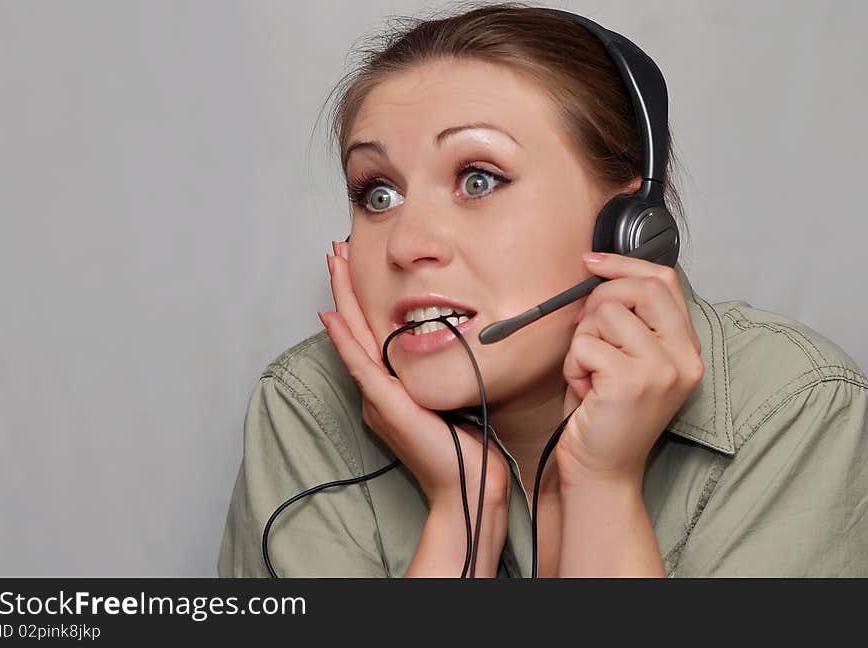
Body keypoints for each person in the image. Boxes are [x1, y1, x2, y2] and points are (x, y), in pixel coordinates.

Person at [217, 2, 868, 577]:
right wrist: (462, 516)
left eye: (478, 180)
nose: (407, 243)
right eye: (377, 193)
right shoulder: (307, 406)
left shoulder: (794, 408)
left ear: (629, 228)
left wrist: (600, 487)